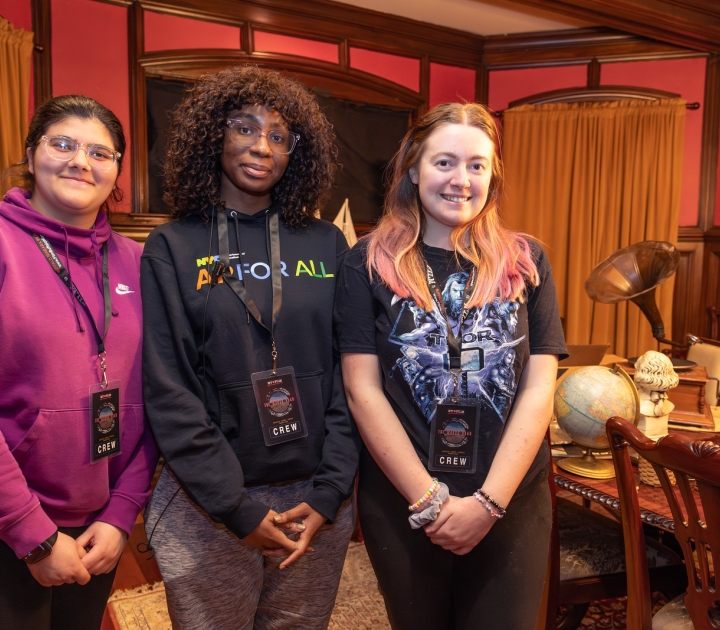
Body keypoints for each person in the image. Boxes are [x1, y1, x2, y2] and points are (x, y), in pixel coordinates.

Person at [335, 102, 568, 630]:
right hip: (405, 502)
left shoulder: (527, 261)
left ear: (493, 175)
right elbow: (361, 390)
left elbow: (539, 388)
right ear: (413, 169)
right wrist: (429, 499)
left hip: (510, 501)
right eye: (444, 162)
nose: (461, 180)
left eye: (477, 165)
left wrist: (488, 503)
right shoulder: (366, 262)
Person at [141, 66, 358, 630]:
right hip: (210, 501)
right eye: (245, 127)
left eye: (280, 135)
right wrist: (236, 507)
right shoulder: (173, 245)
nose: (262, 146)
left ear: (295, 153)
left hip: (316, 497)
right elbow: (170, 387)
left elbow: (352, 375)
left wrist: (332, 490)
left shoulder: (327, 243)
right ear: (215, 134)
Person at [0, 95, 158, 630]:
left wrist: (121, 514)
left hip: (100, 525)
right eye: (62, 143)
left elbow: (162, 395)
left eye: (100, 151)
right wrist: (31, 533)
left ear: (116, 170)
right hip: (10, 522)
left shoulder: (140, 262)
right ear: (30, 152)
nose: (80, 161)